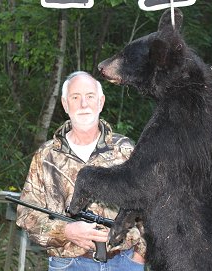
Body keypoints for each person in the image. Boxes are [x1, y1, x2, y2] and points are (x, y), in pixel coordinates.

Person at [16, 71, 146, 271]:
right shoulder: (46, 155)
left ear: (101, 102)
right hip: (67, 264)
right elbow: (26, 214)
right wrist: (65, 231)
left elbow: (151, 206)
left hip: (125, 262)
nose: (83, 104)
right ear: (65, 104)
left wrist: (140, 256)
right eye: (75, 97)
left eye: (90, 96)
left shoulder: (127, 150)